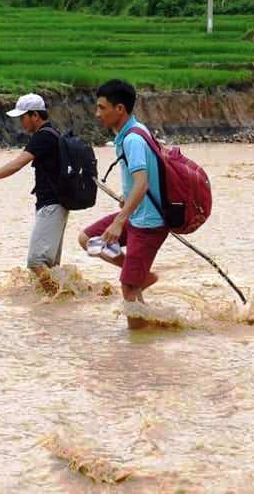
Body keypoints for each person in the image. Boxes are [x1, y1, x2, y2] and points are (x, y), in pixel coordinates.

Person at [79, 80, 169, 329]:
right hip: (137, 212)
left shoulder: (133, 140)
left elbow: (143, 184)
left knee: (128, 290)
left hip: (149, 222)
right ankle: (142, 283)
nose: (97, 114)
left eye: (102, 108)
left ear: (120, 109)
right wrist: (126, 198)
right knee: (88, 239)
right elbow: (138, 184)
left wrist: (120, 220)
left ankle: (138, 349)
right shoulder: (132, 132)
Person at [0, 93, 67, 290]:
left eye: (23, 117)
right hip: (56, 204)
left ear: (35, 116)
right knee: (50, 266)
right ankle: (58, 308)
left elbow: (17, 164)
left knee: (36, 262)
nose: (21, 122)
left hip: (51, 205)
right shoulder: (53, 132)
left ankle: (60, 297)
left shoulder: (43, 136)